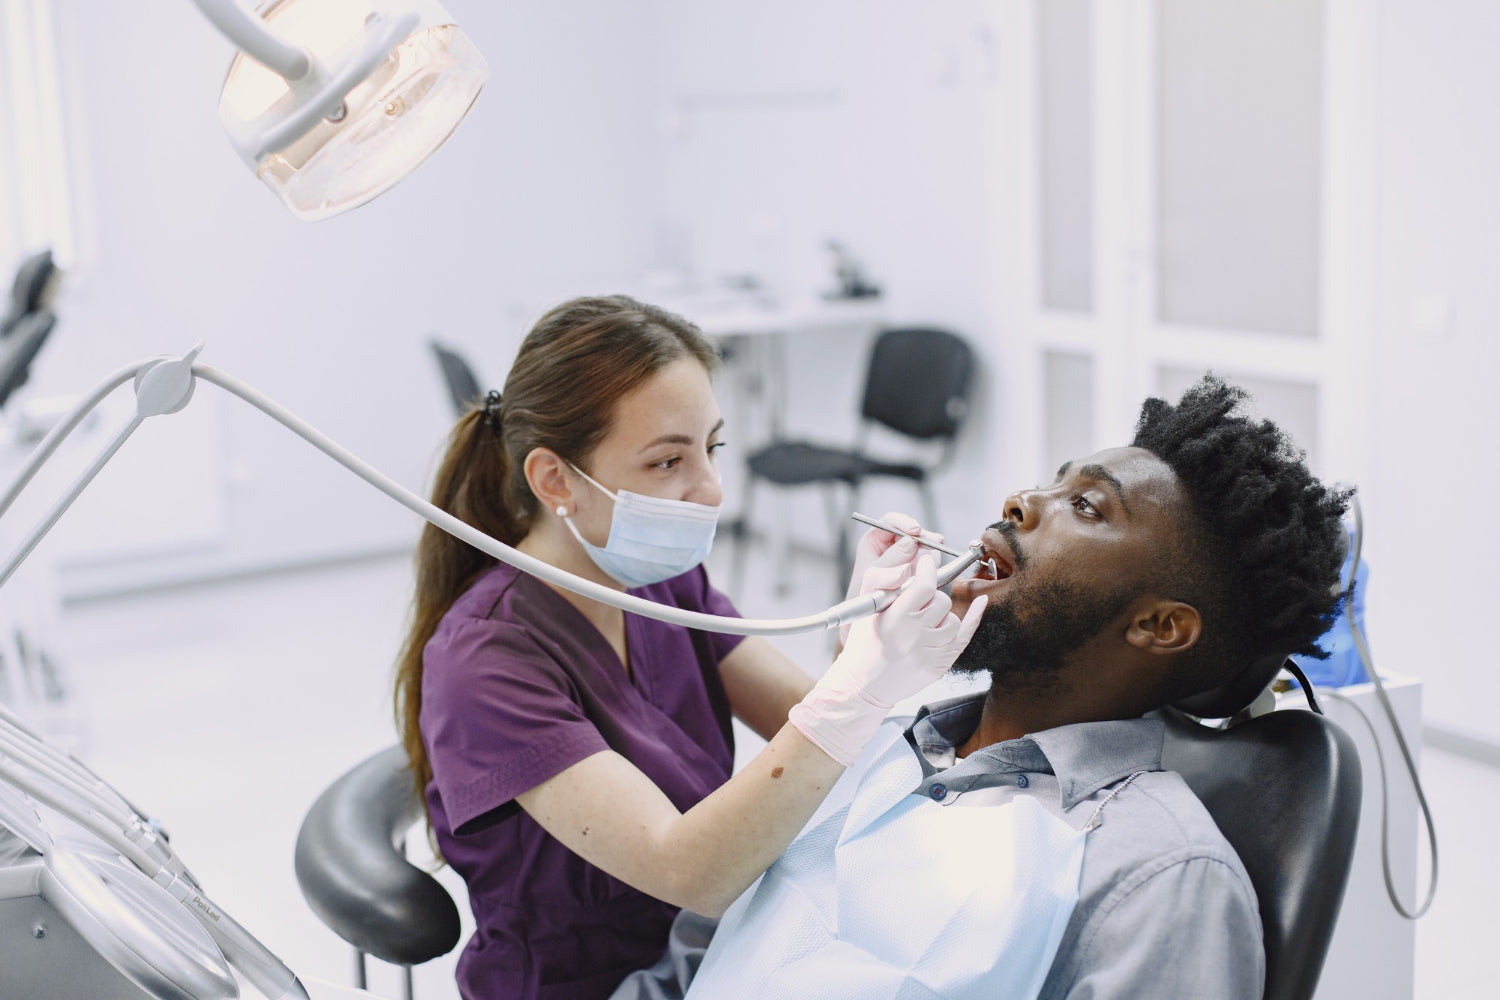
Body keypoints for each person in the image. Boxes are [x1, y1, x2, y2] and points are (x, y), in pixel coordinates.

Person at [612, 373, 1351, 1000]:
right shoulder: (864, 745)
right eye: (1053, 481)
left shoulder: (1158, 874)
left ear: (1160, 626)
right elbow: (691, 963)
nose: (1021, 501)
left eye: (1087, 506)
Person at [392, 295, 985, 1000]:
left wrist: (861, 644)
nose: (710, 490)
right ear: (555, 481)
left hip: (721, 953)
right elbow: (688, 871)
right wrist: (857, 684)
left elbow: (816, 733)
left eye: (713, 448)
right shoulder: (484, 662)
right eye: (669, 460)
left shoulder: (664, 586)